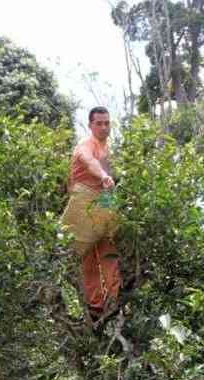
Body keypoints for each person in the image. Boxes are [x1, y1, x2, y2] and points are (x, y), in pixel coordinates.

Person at [61, 107, 121, 320]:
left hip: (104, 201)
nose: (104, 127)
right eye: (99, 123)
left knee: (108, 249)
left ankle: (114, 301)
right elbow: (88, 160)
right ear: (90, 125)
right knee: (86, 255)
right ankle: (95, 306)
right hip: (85, 202)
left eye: (107, 123)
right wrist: (103, 176)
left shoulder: (108, 147)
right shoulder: (85, 145)